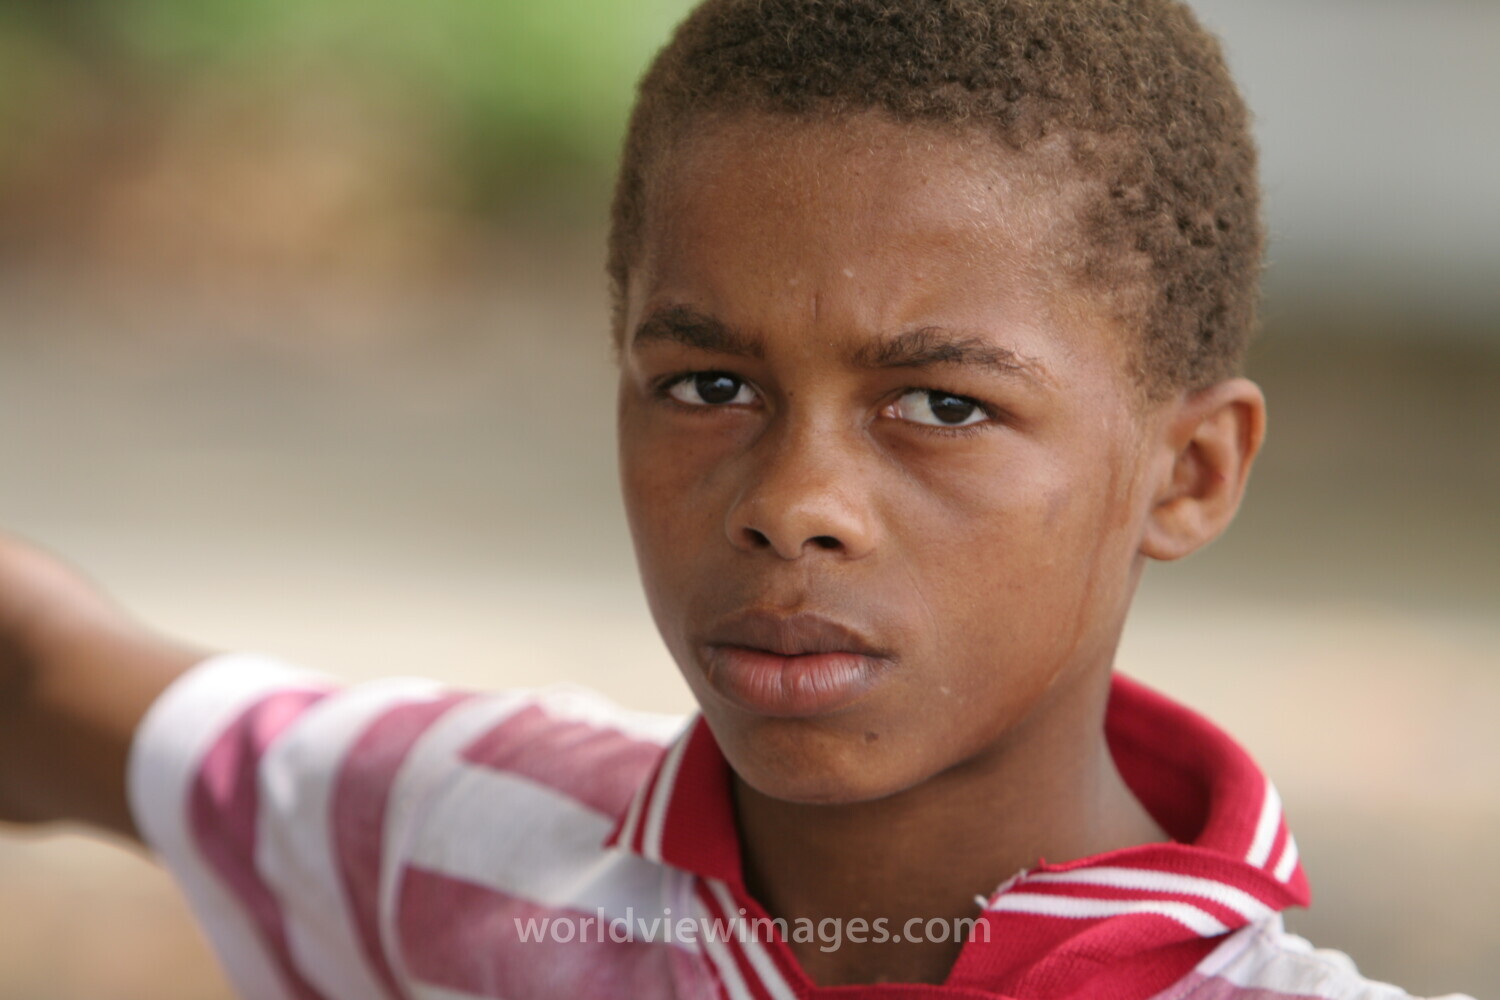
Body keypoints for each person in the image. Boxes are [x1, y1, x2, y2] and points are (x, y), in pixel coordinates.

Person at [0, 1, 1476, 998]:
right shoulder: (474, 840)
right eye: (710, 385)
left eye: (944, 407)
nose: (797, 502)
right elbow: (42, 677)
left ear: (1191, 472)